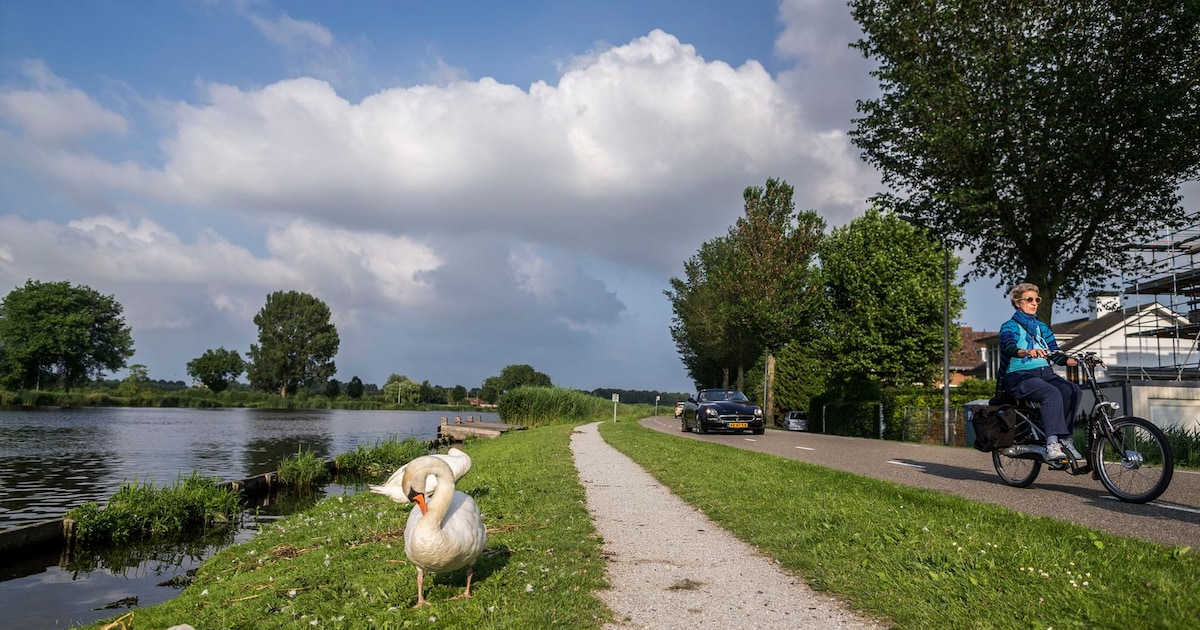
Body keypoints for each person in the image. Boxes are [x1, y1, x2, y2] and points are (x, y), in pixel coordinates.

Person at [998, 282, 1082, 464]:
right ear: (1018, 302)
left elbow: (1057, 356)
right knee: (1050, 393)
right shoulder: (1009, 326)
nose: (1034, 303)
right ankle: (1052, 443)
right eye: (1029, 299)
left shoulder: (1042, 328)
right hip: (1019, 375)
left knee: (1072, 390)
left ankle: (1065, 439)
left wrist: (1080, 361)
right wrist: (1026, 351)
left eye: (1037, 299)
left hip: (1045, 373)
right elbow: (1008, 346)